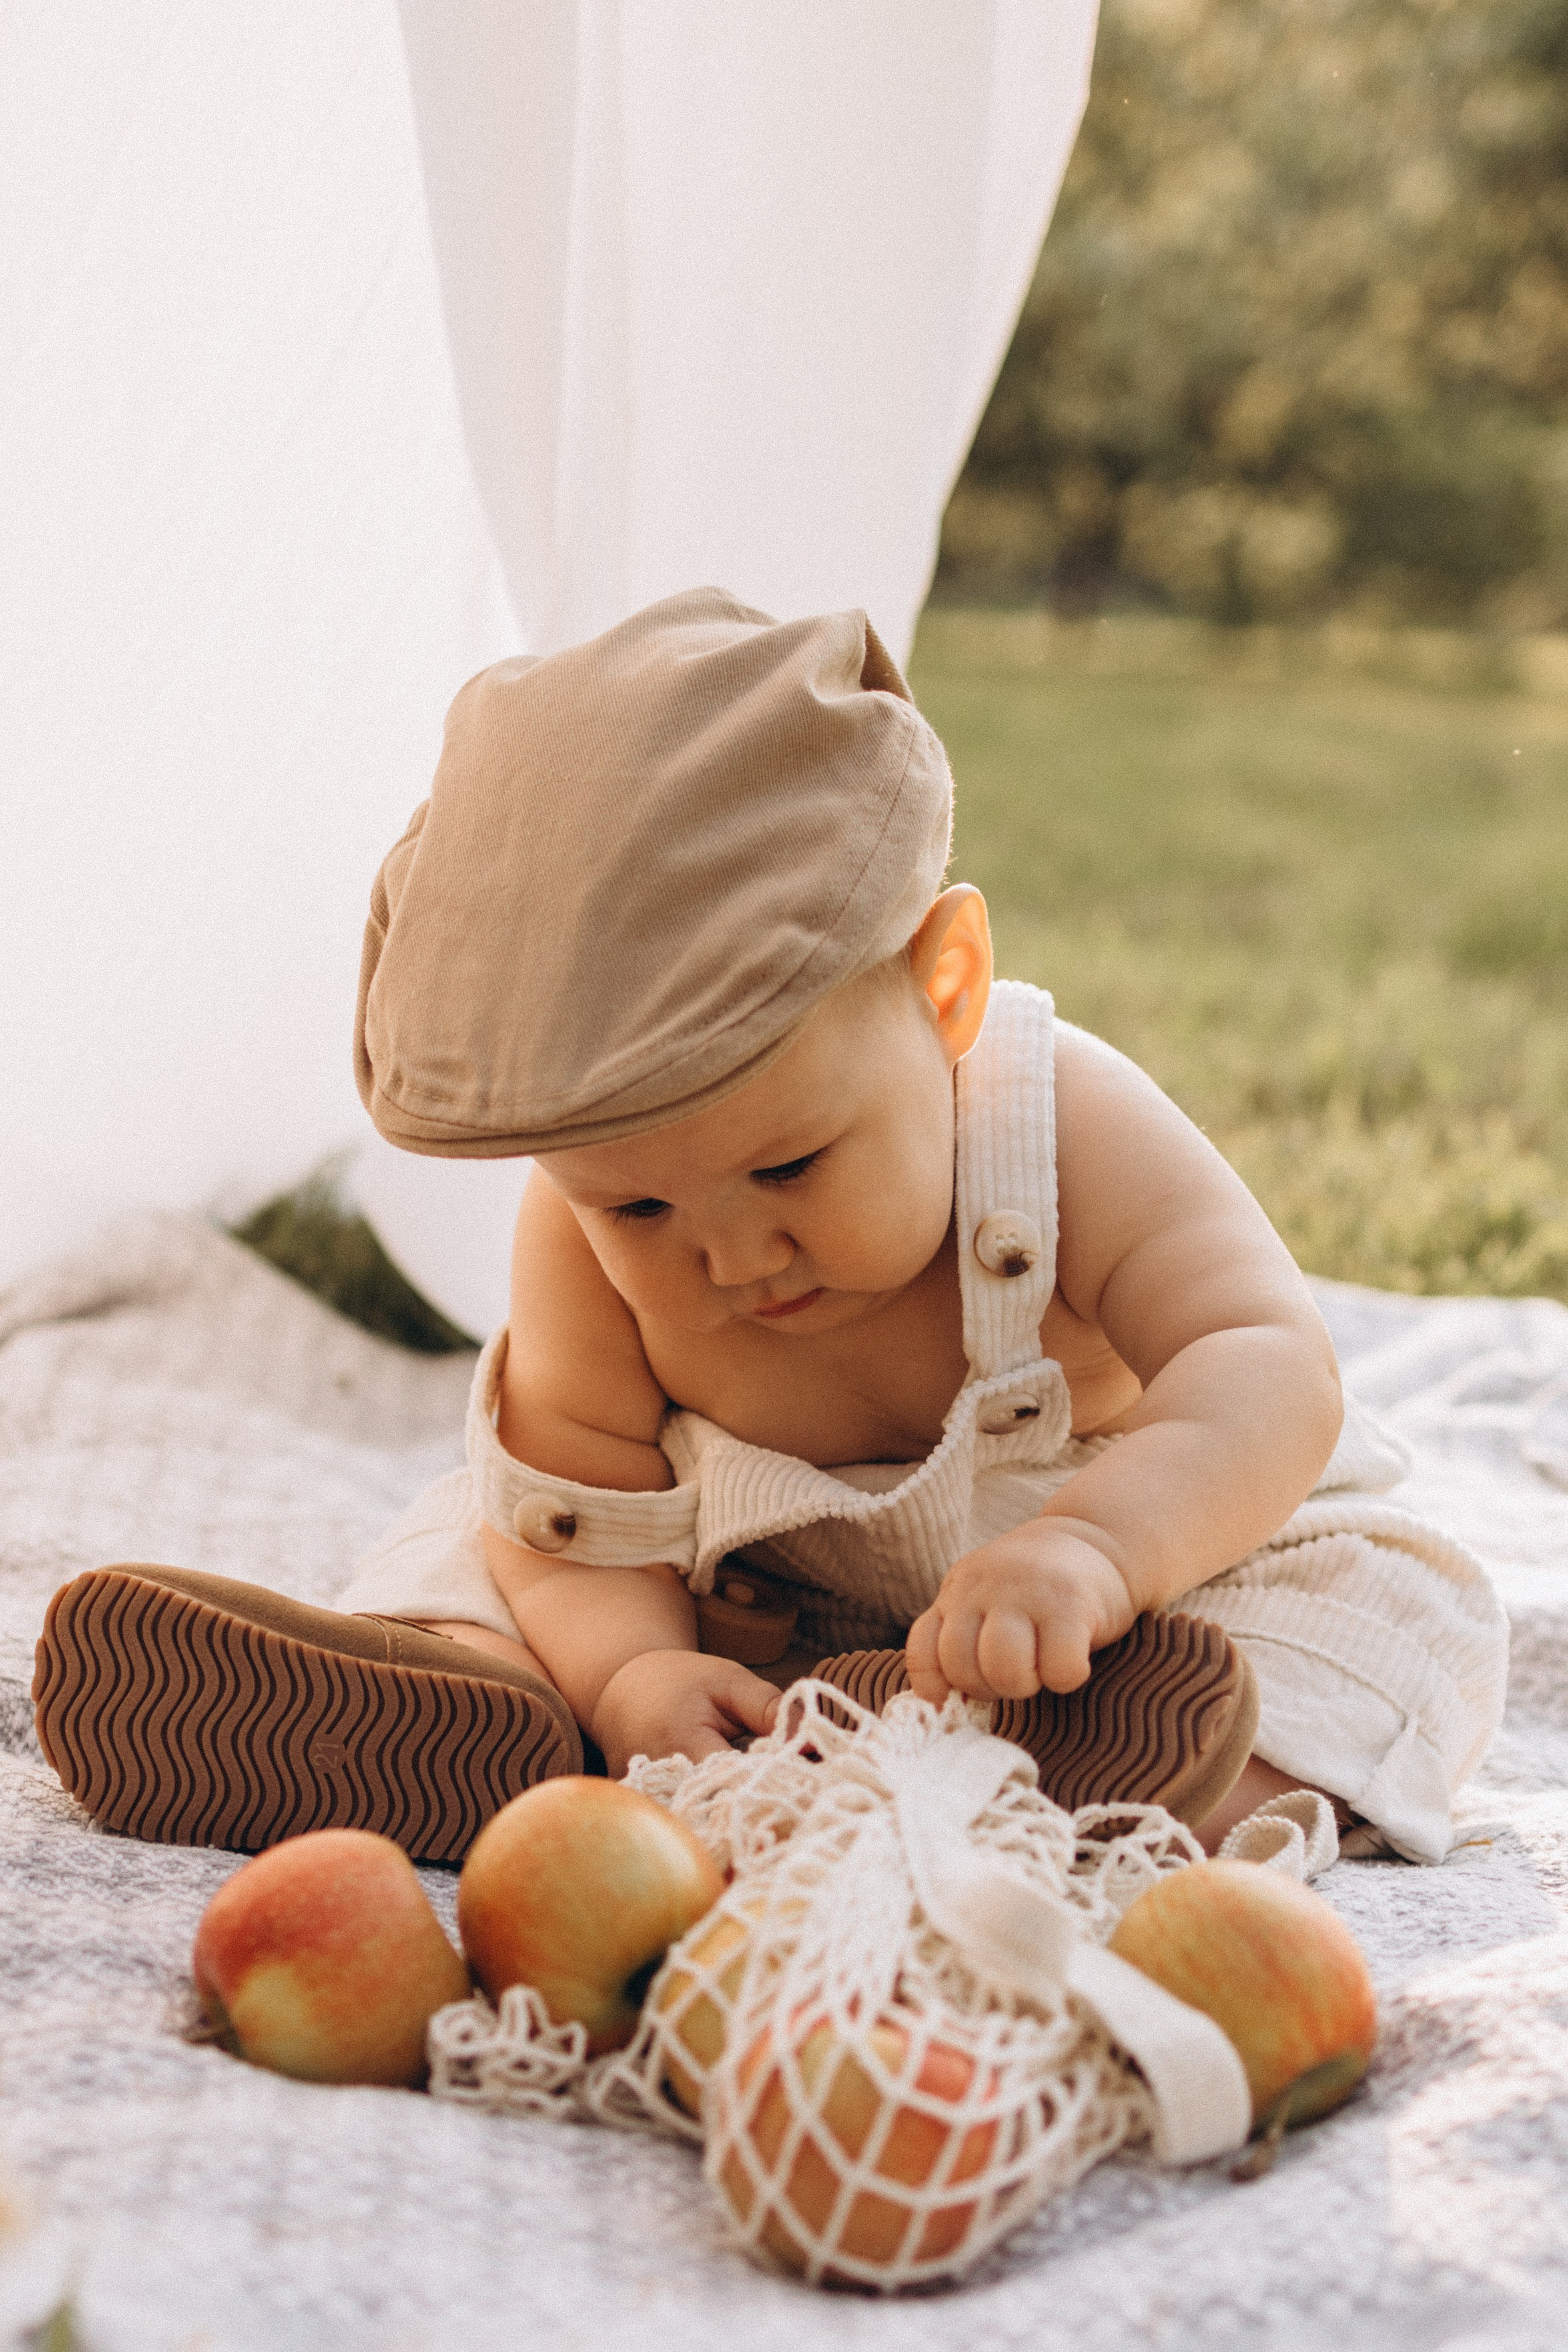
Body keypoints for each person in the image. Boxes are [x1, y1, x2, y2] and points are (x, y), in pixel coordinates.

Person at [33, 589, 1508, 1869]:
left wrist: (1100, 1551)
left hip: (1112, 1578)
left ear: (946, 986)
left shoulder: (1059, 1127)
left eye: (793, 1164)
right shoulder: (576, 1240)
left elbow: (1266, 1365)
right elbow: (573, 1509)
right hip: (738, 1610)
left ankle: (1113, 1768)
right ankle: (494, 1717)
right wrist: (628, 1673)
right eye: (641, 1206)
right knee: (470, 1548)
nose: (731, 1257)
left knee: (1389, 1612)